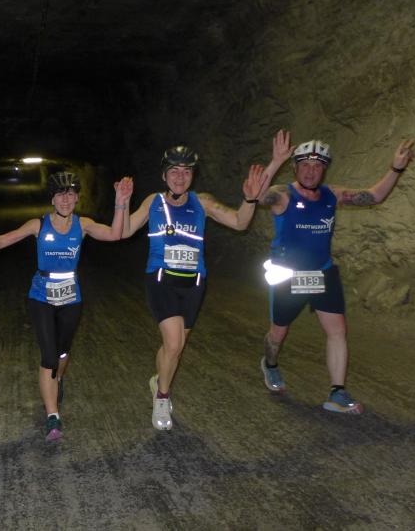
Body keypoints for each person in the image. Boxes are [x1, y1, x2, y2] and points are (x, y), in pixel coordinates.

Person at [121, 131, 290, 430]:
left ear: (193, 176)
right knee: (174, 343)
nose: (180, 177)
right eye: (174, 170)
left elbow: (240, 221)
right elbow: (123, 231)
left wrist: (256, 190)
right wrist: (121, 204)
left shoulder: (203, 203)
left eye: (186, 171)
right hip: (160, 280)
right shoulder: (153, 202)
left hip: (194, 284)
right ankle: (162, 397)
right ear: (164, 174)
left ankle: (158, 379)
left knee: (175, 346)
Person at [0, 171, 134, 441]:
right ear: (52, 199)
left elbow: (115, 235)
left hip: (71, 298)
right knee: (49, 357)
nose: (65, 199)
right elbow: (3, 239)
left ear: (77, 198)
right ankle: (53, 416)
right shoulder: (38, 225)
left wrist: (121, 202)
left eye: (71, 194)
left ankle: (58, 379)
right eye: (60, 194)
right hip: (41, 297)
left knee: (63, 352)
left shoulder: (83, 225)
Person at [258, 137, 415, 414]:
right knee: (278, 332)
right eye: (305, 165)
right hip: (288, 275)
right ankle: (270, 364)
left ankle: (337, 393)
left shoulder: (332, 195)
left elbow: (374, 196)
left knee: (338, 331)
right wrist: (275, 162)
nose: (310, 171)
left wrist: (396, 168)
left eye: (317, 166)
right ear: (295, 167)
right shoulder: (283, 195)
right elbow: (257, 196)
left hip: (323, 271)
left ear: (325, 169)